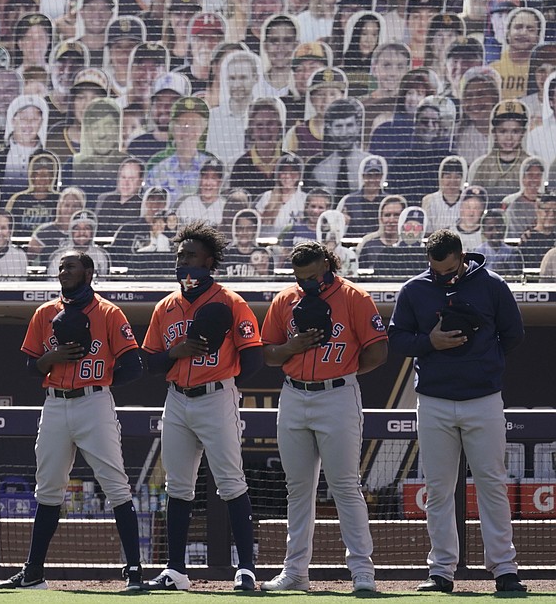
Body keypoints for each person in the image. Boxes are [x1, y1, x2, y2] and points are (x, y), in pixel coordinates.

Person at [0, 250, 145, 591]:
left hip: (94, 403)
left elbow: (134, 366)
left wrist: (101, 380)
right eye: (61, 266)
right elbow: (30, 367)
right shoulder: (45, 312)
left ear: (89, 273)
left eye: (71, 266)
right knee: (47, 489)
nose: (64, 271)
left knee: (116, 486)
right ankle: (33, 573)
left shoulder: (108, 312)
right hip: (55, 404)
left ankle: (134, 572)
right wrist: (52, 358)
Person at [387, 229, 527, 593]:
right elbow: (397, 338)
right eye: (435, 269)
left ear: (462, 258)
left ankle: (504, 568)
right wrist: (429, 342)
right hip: (434, 401)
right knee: (437, 488)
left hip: (483, 399)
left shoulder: (492, 285)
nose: (442, 276)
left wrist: (484, 361)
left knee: (492, 484)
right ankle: (441, 571)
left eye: (448, 270)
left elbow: (513, 334)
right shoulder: (415, 289)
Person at [140, 222, 264, 591]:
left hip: (216, 395)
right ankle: (176, 570)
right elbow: (150, 361)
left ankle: (246, 568)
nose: (184, 261)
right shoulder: (166, 306)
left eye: (191, 255)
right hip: (177, 398)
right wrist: (174, 354)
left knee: (230, 482)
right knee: (178, 486)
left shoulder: (230, 301)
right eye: (180, 255)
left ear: (209, 261)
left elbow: (253, 357)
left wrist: (224, 385)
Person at [260, 241, 387, 593]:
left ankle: (362, 571)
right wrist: (292, 348)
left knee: (346, 485)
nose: (309, 283)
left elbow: (378, 350)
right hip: (294, 393)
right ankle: (295, 572)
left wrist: (343, 372)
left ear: (328, 265)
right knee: (298, 489)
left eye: (314, 275)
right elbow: (267, 353)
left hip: (337, 394)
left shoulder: (354, 297)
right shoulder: (285, 299)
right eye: (302, 277)